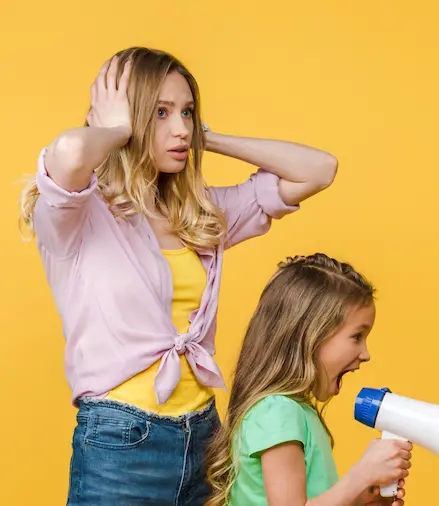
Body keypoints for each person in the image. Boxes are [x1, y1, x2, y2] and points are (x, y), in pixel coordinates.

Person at [19, 47, 338, 505]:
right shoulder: (78, 215)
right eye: (162, 113)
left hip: (204, 435)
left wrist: (211, 139)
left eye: (188, 113)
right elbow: (68, 153)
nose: (181, 129)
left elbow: (319, 170)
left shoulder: (200, 215)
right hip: (119, 443)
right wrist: (120, 130)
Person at [204, 253, 412, 506]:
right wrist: (360, 475)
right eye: (357, 336)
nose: (365, 354)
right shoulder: (277, 411)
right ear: (311, 336)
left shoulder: (295, 412)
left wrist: (358, 502)